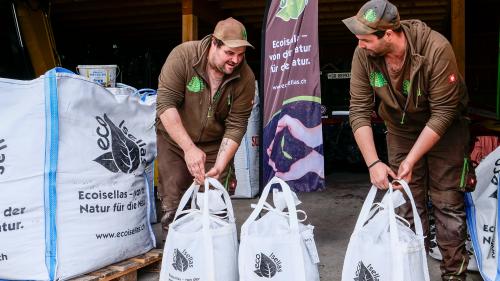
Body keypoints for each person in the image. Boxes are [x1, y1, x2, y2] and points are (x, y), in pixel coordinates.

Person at [343, 0, 472, 280]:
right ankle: (413, 271)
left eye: (365, 39)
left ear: (388, 34)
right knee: (406, 202)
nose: (360, 44)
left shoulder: (436, 49)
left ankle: (454, 275)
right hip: (400, 128)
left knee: (447, 201)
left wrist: (412, 159)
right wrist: (373, 162)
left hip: (445, 129)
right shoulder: (363, 55)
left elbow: (443, 114)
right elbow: (359, 110)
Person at [156, 17, 255, 233]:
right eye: (230, 53)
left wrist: (220, 164)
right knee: (174, 205)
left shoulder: (245, 77)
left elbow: (237, 124)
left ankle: (215, 258)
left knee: (215, 204)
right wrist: (189, 148)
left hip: (214, 143)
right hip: (175, 139)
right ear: (214, 43)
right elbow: (165, 105)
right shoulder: (183, 57)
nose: (235, 60)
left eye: (241, 54)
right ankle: (179, 259)